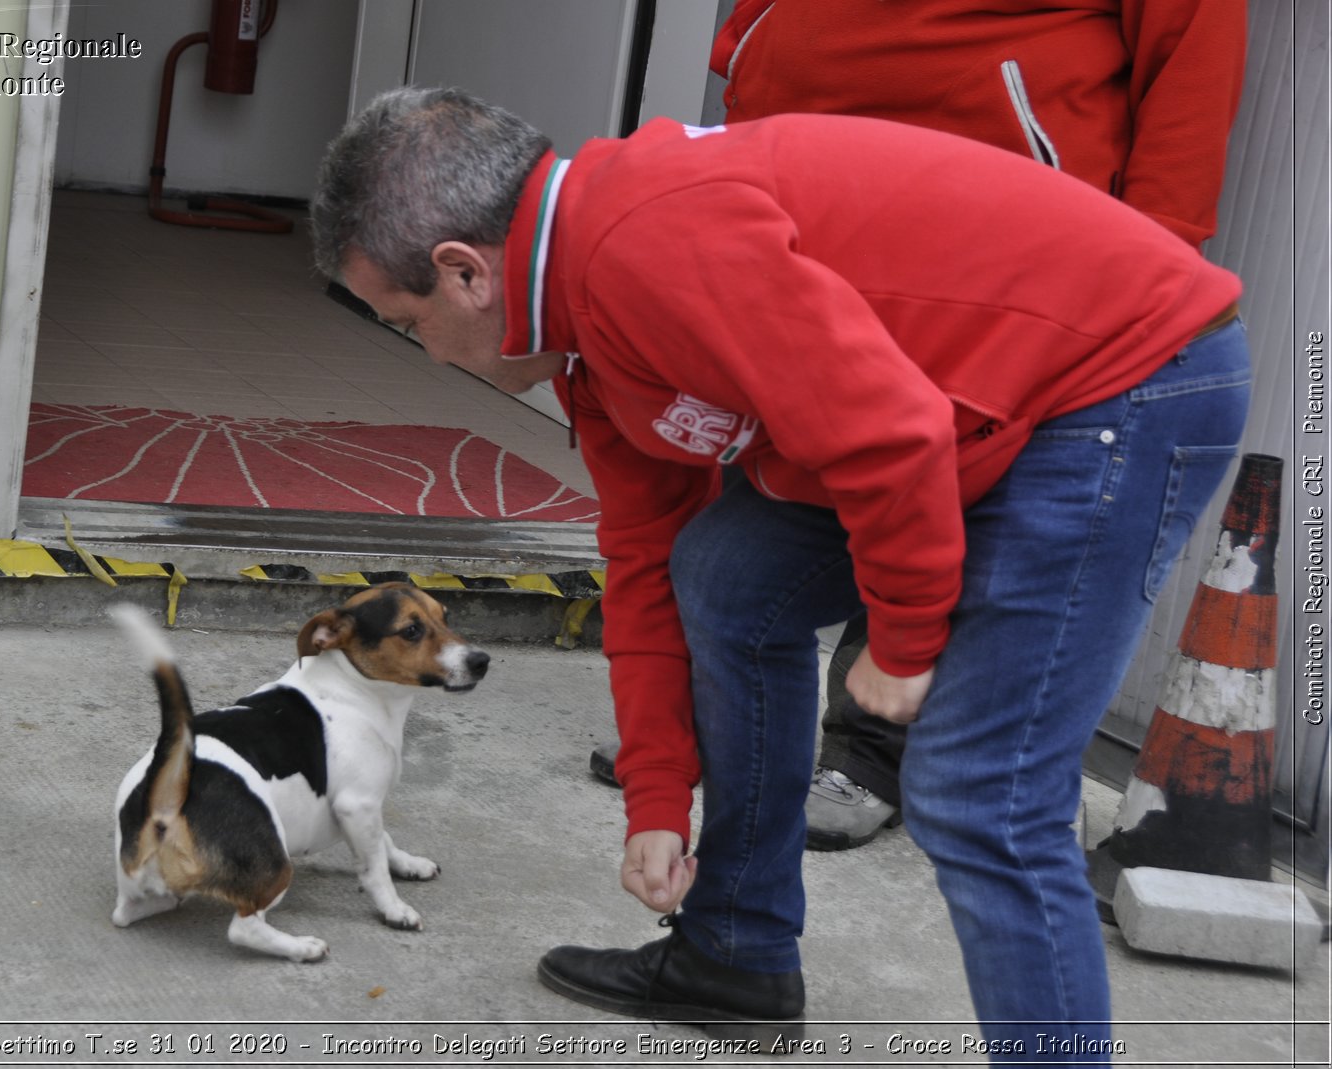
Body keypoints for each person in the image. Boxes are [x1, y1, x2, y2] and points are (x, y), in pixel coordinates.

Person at [311, 87, 1250, 1058]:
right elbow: (645, 572)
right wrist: (656, 798)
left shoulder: (641, 244)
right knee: (725, 574)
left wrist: (902, 636)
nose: (421, 351)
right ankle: (734, 953)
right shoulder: (586, 340)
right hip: (985, 401)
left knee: (983, 796)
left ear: (463, 272)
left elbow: (888, 433)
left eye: (402, 321)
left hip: (1123, 383)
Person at [591, 0, 1249, 854]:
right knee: (748, 514)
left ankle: (868, 750)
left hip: (998, 226)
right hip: (796, 186)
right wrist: (751, 57)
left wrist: (1153, 256)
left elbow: (1193, 39)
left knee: (921, 465)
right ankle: (696, 739)